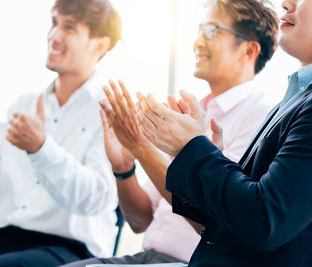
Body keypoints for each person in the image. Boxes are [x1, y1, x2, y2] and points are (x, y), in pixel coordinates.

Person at [62, 0, 279, 265]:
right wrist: (124, 167)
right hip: (148, 257)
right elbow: (139, 220)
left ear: (248, 50)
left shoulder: (260, 119)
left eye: (211, 31)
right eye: (199, 30)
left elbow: (211, 214)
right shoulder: (192, 112)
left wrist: (142, 147)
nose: (197, 42)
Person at [136, 0, 312, 266]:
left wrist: (191, 148)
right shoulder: (305, 95)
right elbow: (234, 216)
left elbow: (267, 220)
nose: (286, 3)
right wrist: (206, 154)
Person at [0, 0, 122, 266]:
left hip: (73, 251)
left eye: (69, 27)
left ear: (99, 44)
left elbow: (95, 199)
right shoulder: (24, 104)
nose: (54, 35)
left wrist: (42, 148)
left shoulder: (109, 111)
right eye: (54, 23)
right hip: (3, 241)